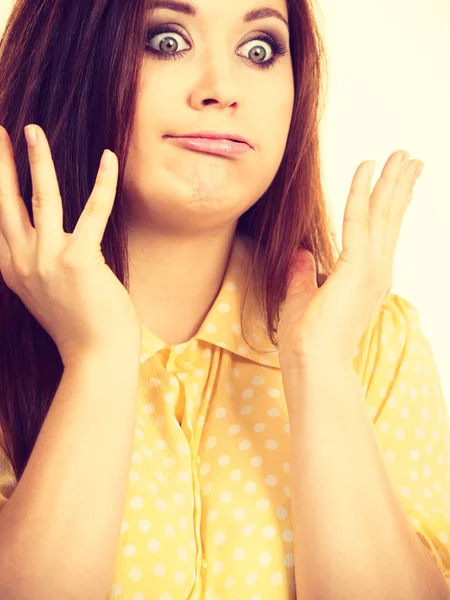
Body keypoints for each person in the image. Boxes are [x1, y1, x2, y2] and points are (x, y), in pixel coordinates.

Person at [0, 1, 448, 599]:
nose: (223, 90)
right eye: (166, 41)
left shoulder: (372, 341)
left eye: (259, 49)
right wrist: (98, 358)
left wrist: (319, 370)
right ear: (75, 58)